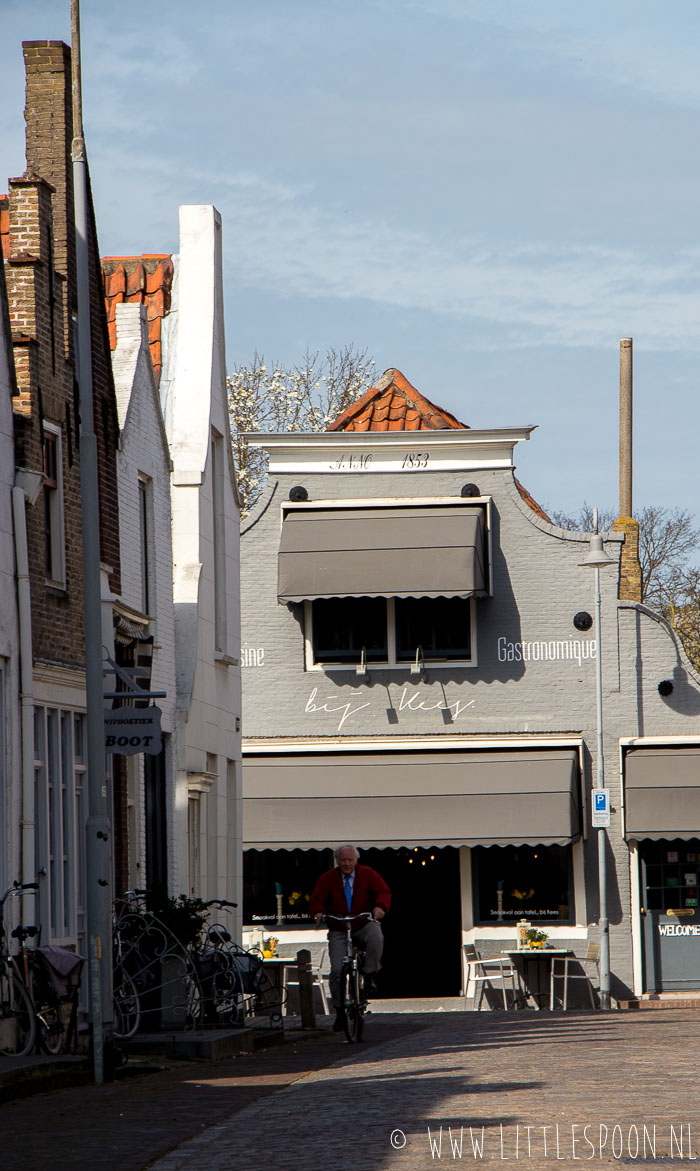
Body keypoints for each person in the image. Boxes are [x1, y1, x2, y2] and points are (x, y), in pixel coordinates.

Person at [308, 844, 391, 1031]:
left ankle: (370, 975)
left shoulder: (368, 874)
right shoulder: (328, 878)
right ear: (337, 861)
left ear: (356, 860)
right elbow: (316, 900)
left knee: (376, 937)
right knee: (337, 970)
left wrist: (380, 908)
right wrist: (319, 913)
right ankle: (339, 1011)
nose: (346, 864)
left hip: (362, 922)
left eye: (350, 860)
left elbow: (383, 892)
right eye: (343, 860)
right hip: (338, 926)